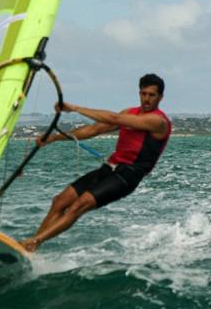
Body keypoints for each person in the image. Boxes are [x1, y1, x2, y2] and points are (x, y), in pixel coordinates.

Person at [20, 74, 171, 253]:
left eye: (151, 95)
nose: (146, 99)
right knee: (60, 201)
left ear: (160, 97)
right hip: (109, 168)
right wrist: (53, 138)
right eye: (143, 93)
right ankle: (30, 248)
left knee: (79, 205)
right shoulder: (129, 113)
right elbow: (94, 129)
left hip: (127, 176)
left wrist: (75, 108)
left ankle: (34, 242)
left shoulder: (158, 121)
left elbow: (115, 119)